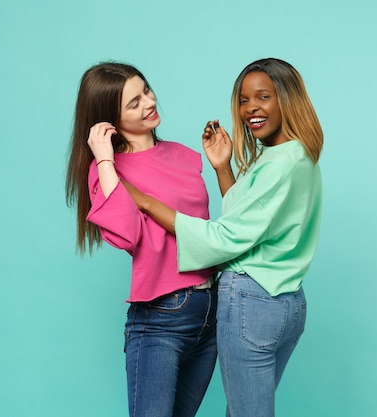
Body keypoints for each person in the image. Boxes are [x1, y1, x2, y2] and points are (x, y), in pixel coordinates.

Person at [122, 58, 323, 417]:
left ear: (288, 99)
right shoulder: (295, 154)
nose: (250, 109)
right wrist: (223, 168)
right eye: (244, 100)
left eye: (263, 97)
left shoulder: (279, 163)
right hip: (289, 303)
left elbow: (224, 237)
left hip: (254, 302)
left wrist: (146, 201)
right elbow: (250, 222)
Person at [65, 62, 217, 417]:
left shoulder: (183, 155)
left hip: (210, 311)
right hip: (161, 317)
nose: (149, 102)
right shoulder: (106, 172)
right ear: (109, 121)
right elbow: (128, 235)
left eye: (146, 91)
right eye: (133, 103)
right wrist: (104, 159)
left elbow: (208, 234)